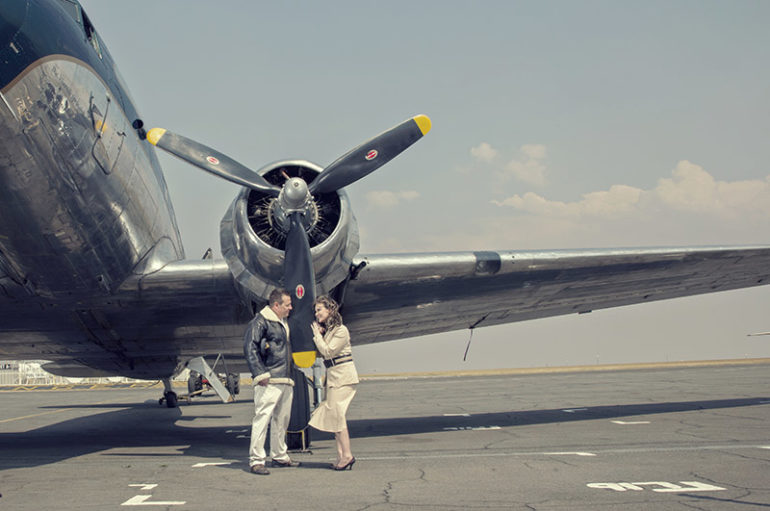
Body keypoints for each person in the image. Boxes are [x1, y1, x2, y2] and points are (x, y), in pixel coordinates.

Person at [243, 288, 301, 475]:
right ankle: (256, 460)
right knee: (263, 418)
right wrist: (260, 374)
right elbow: (250, 346)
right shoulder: (260, 322)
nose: (291, 308)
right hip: (269, 379)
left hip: (285, 377)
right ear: (276, 305)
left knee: (282, 420)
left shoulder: (283, 322)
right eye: (287, 304)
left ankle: (279, 455)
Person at [308, 295, 359, 471]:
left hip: (343, 378)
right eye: (315, 311)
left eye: (319, 310)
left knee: (337, 416)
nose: (316, 314)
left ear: (330, 310)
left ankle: (347, 455)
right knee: (335, 417)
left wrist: (316, 335)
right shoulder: (330, 331)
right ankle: (341, 456)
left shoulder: (341, 330)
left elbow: (327, 351)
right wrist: (322, 335)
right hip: (333, 377)